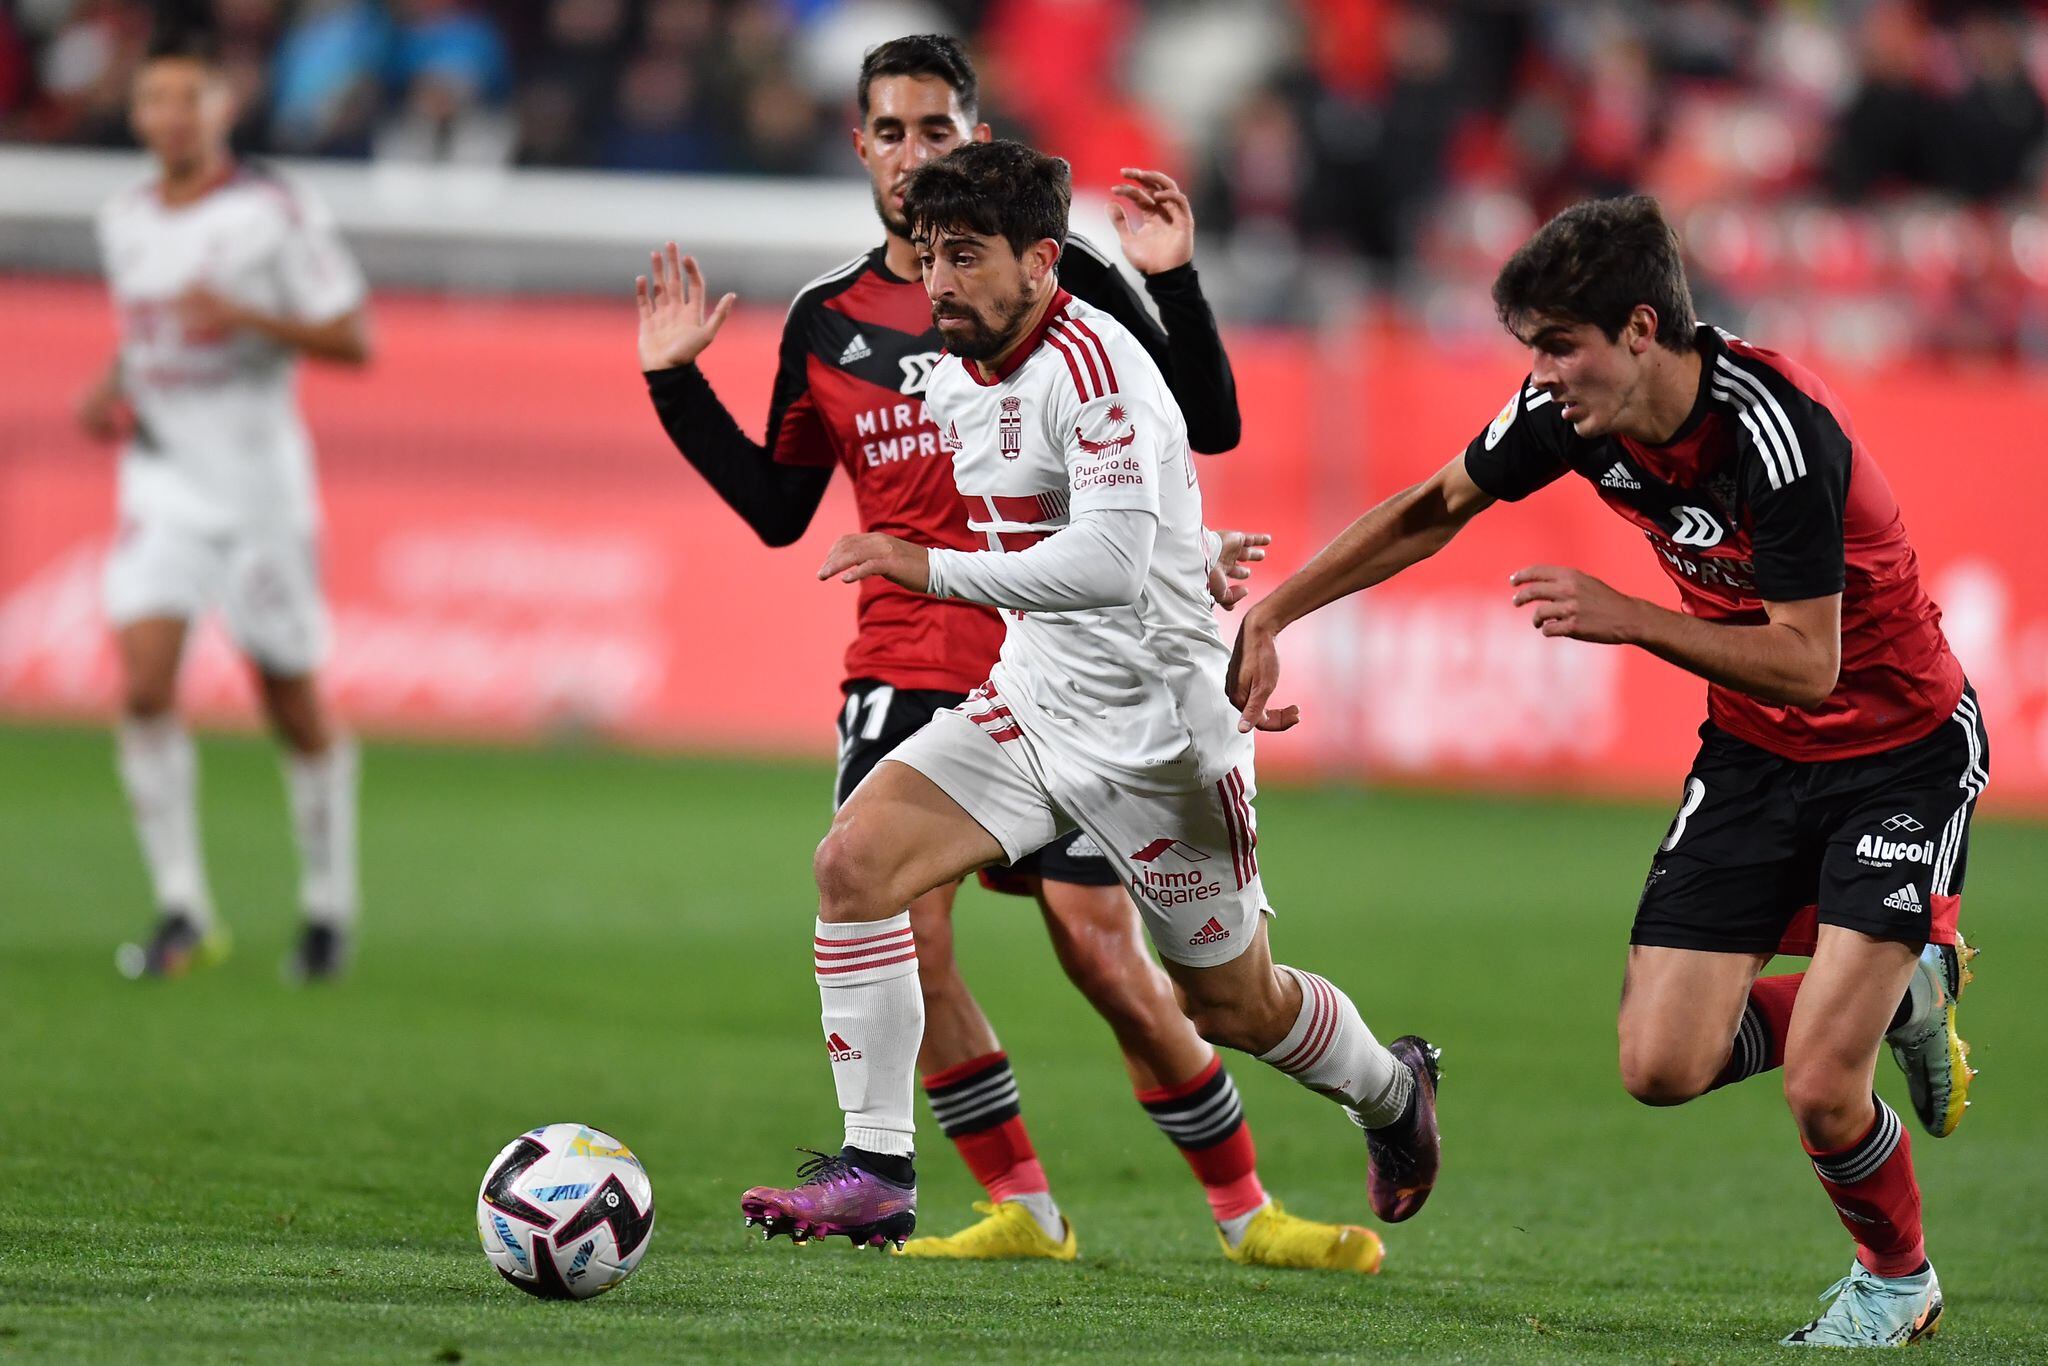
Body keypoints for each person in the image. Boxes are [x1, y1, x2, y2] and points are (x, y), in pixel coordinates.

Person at [640, 34, 1384, 1273]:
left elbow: (1193, 426)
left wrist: (1177, 286)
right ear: (860, 144)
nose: (912, 156)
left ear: (974, 139)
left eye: (936, 131)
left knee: (1122, 960)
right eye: (890, 131)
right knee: (883, 898)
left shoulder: (1060, 284)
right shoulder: (831, 321)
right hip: (923, 661)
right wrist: (676, 387)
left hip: (1094, 670)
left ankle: (1252, 1205)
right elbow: (781, 505)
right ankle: (976, 1195)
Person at [1227, 194, 1980, 1348]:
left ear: (1640, 328)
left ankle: (1894, 1278)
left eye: (1557, 345)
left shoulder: (1774, 433)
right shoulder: (1568, 414)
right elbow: (1436, 506)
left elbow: (1807, 659)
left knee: (1822, 1088)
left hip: (1896, 753)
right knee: (1658, 1065)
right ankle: (1895, 991)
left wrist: (1627, 617)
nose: (1539, 373)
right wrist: (1276, 608)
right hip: (1751, 752)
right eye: (1529, 346)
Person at [79, 30, 371, 983]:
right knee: (143, 687)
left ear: (220, 110)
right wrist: (109, 383)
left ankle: (328, 905)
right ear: (138, 113)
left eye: (187, 99)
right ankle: (182, 910)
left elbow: (349, 336)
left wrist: (247, 316)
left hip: (257, 493)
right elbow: (147, 326)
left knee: (290, 702)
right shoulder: (122, 217)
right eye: (154, 99)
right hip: (161, 481)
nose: (169, 116)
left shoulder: (273, 213)